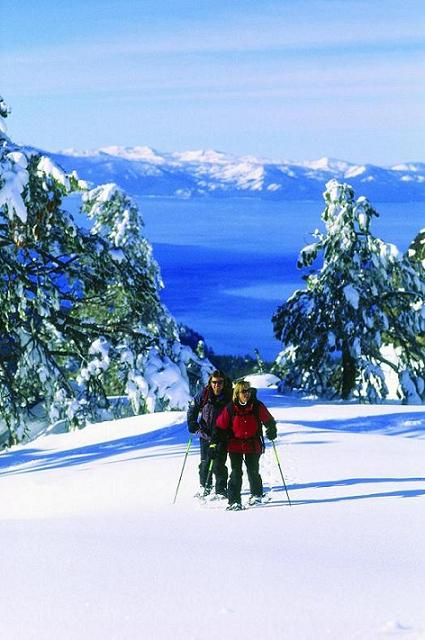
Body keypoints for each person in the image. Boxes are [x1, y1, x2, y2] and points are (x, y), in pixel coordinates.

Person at [214, 380, 277, 511]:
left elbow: (269, 420)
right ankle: (234, 501)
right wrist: (215, 443)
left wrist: (271, 429)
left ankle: (256, 495)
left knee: (253, 471)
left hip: (253, 444)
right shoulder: (230, 408)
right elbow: (220, 426)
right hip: (234, 444)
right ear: (237, 393)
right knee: (236, 473)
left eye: (248, 390)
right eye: (243, 391)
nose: (247, 394)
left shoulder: (257, 406)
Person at [187, 370, 232, 498]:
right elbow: (192, 407)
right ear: (210, 382)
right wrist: (192, 422)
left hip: (222, 435)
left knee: (219, 463)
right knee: (205, 462)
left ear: (223, 383)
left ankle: (221, 489)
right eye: (214, 382)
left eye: (220, 382)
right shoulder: (204, 394)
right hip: (205, 433)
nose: (217, 385)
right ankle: (205, 487)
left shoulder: (229, 396)